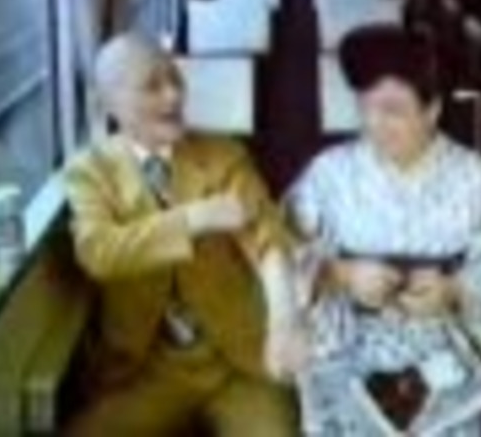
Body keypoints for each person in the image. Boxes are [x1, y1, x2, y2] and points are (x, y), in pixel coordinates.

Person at [288, 25, 481, 436]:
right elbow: (281, 249)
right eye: (365, 108)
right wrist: (339, 274)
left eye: (392, 111)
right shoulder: (329, 174)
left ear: (432, 110)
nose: (374, 124)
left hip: (440, 347)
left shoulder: (475, 178)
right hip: (348, 342)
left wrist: (454, 289)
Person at [63, 34, 302, 437]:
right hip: (144, 370)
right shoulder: (90, 171)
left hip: (235, 363)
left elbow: (268, 242)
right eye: (152, 86)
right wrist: (192, 219)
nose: (173, 95)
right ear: (108, 104)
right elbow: (98, 252)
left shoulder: (224, 154)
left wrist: (283, 319)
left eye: (175, 79)